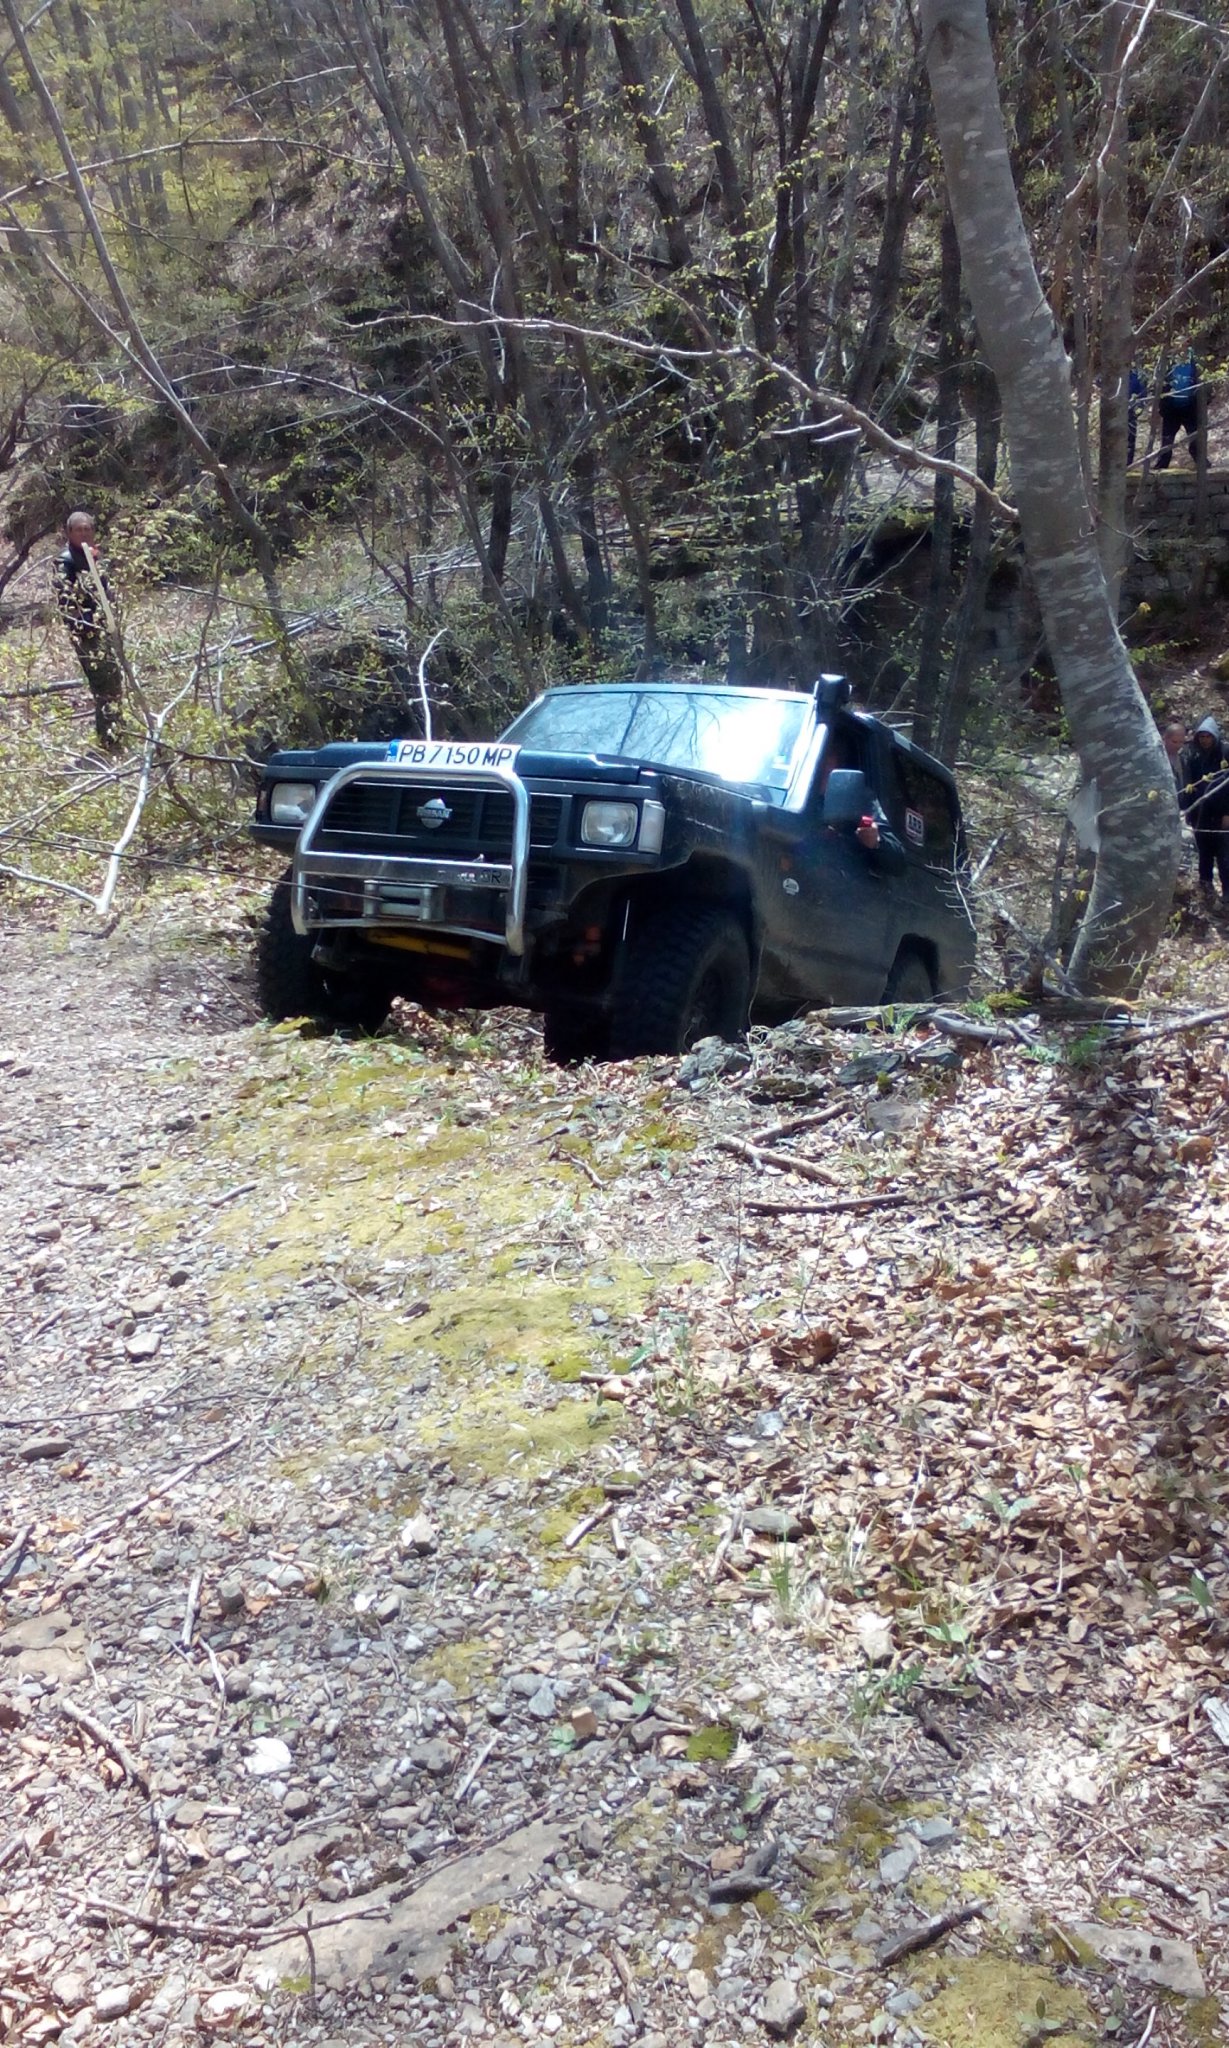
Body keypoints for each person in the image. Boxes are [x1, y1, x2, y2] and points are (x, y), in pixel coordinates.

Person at [53, 509, 124, 750]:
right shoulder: (65, 562)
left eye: (87, 529)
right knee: (103, 684)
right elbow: (66, 602)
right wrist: (89, 624)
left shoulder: (95, 557)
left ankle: (117, 731)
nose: (84, 534)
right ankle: (109, 740)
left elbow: (106, 591)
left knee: (115, 680)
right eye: (78, 530)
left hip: (106, 628)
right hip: (86, 633)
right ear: (69, 532)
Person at [1177, 715, 1229, 904]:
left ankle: (1227, 892)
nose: (1205, 740)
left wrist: (1227, 813)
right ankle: (1206, 889)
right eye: (1202, 736)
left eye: (1208, 736)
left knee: (1224, 855)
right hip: (1201, 812)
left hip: (1221, 812)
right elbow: (1189, 783)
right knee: (1204, 853)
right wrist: (1188, 810)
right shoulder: (1193, 755)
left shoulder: (1224, 753)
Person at [1155, 348, 1204, 471]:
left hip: (1190, 406)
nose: (1181, 346)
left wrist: (1204, 400)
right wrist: (1161, 404)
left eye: (1184, 342)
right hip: (1171, 407)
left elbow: (1203, 380)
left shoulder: (1195, 359)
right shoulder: (1168, 359)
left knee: (1195, 436)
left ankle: (1201, 462)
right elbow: (1158, 381)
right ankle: (1162, 464)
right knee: (1167, 438)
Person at [1127, 366, 1147, 465]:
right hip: (1114, 413)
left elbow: (1143, 395)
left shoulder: (1137, 376)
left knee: (1130, 440)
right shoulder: (1112, 375)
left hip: (1131, 413)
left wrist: (1138, 411)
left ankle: (1128, 464)